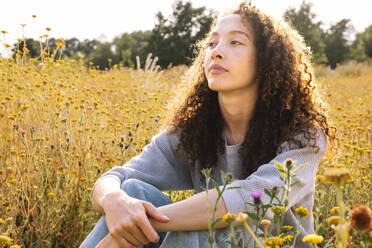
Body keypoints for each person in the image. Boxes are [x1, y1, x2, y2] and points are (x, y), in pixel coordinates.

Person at [80, 1, 335, 247]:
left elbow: (250, 200)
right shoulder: (195, 129)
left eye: (235, 42)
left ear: (267, 59)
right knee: (132, 191)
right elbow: (116, 178)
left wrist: (138, 225)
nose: (216, 51)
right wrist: (115, 202)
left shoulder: (303, 134)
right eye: (212, 43)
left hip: (271, 244)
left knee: (202, 223)